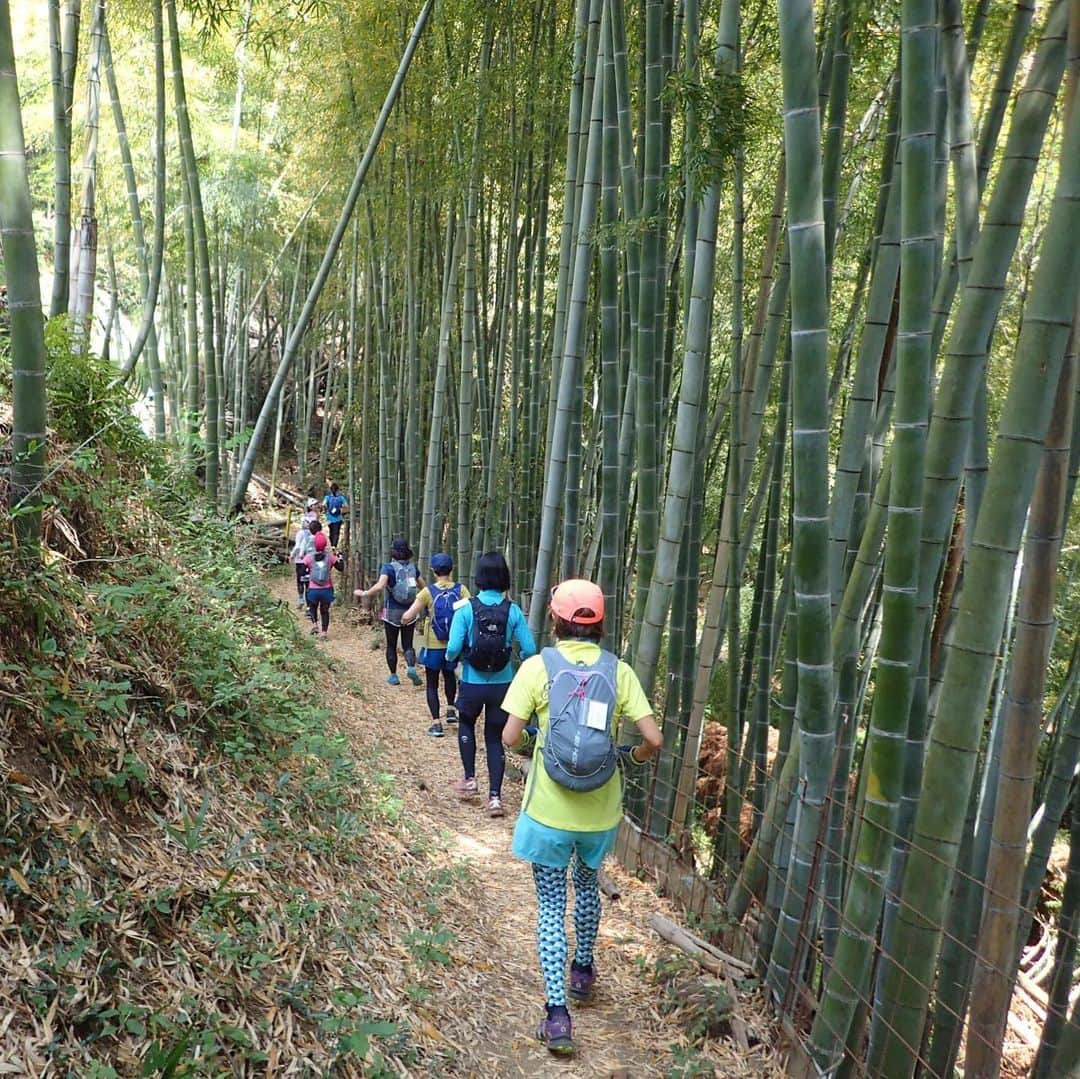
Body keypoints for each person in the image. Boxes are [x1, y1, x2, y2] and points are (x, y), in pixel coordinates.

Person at [501, 579, 662, 1056]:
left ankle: (556, 1015)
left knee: (551, 906)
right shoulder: (619, 671)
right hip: (599, 809)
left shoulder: (538, 667)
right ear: (601, 622)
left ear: (555, 618)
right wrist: (628, 758)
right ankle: (584, 970)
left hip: (548, 813)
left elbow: (509, 738)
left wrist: (542, 745)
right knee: (588, 885)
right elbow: (654, 739)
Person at [445, 551, 536, 817]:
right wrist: (515, 660)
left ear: (480, 577)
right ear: (504, 577)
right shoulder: (514, 610)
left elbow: (451, 648)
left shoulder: (466, 608)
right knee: (495, 737)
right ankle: (495, 798)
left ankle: (470, 779)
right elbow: (530, 649)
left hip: (472, 681)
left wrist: (456, 658)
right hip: (503, 684)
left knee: (466, 724)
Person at [401, 553, 471, 738]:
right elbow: (470, 610)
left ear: (433, 571)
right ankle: (450, 711)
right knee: (449, 676)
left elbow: (408, 615)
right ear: (452, 570)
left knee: (432, 684)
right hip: (454, 644)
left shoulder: (428, 592)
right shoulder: (461, 589)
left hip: (433, 644)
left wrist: (404, 619)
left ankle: (436, 723)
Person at [355, 537, 424, 686]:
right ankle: (411, 667)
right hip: (410, 611)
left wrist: (365, 593)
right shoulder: (413, 568)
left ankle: (393, 676)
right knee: (408, 644)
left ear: (393, 552)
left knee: (391, 644)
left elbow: (380, 586)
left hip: (392, 610)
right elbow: (423, 587)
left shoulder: (388, 567)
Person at [303, 531, 342, 639]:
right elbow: (341, 568)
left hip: (313, 589)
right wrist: (340, 558)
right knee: (324, 611)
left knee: (312, 607)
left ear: (314, 544)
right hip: (327, 589)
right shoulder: (330, 557)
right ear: (325, 545)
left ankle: (314, 625)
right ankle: (324, 632)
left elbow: (302, 571)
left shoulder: (309, 557)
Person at [290, 515, 318, 608]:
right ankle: (308, 606)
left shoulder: (300, 533)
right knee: (308, 583)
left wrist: (292, 555)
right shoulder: (314, 534)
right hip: (311, 562)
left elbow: (297, 546)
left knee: (300, 581)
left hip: (300, 561)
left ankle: (301, 599)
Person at [323, 483, 348, 548]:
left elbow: (323, 504)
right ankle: (334, 546)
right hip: (338, 518)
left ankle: (332, 545)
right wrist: (340, 507)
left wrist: (327, 509)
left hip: (329, 518)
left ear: (330, 490)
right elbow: (346, 506)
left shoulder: (327, 497)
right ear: (338, 490)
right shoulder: (341, 498)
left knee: (331, 532)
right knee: (336, 533)